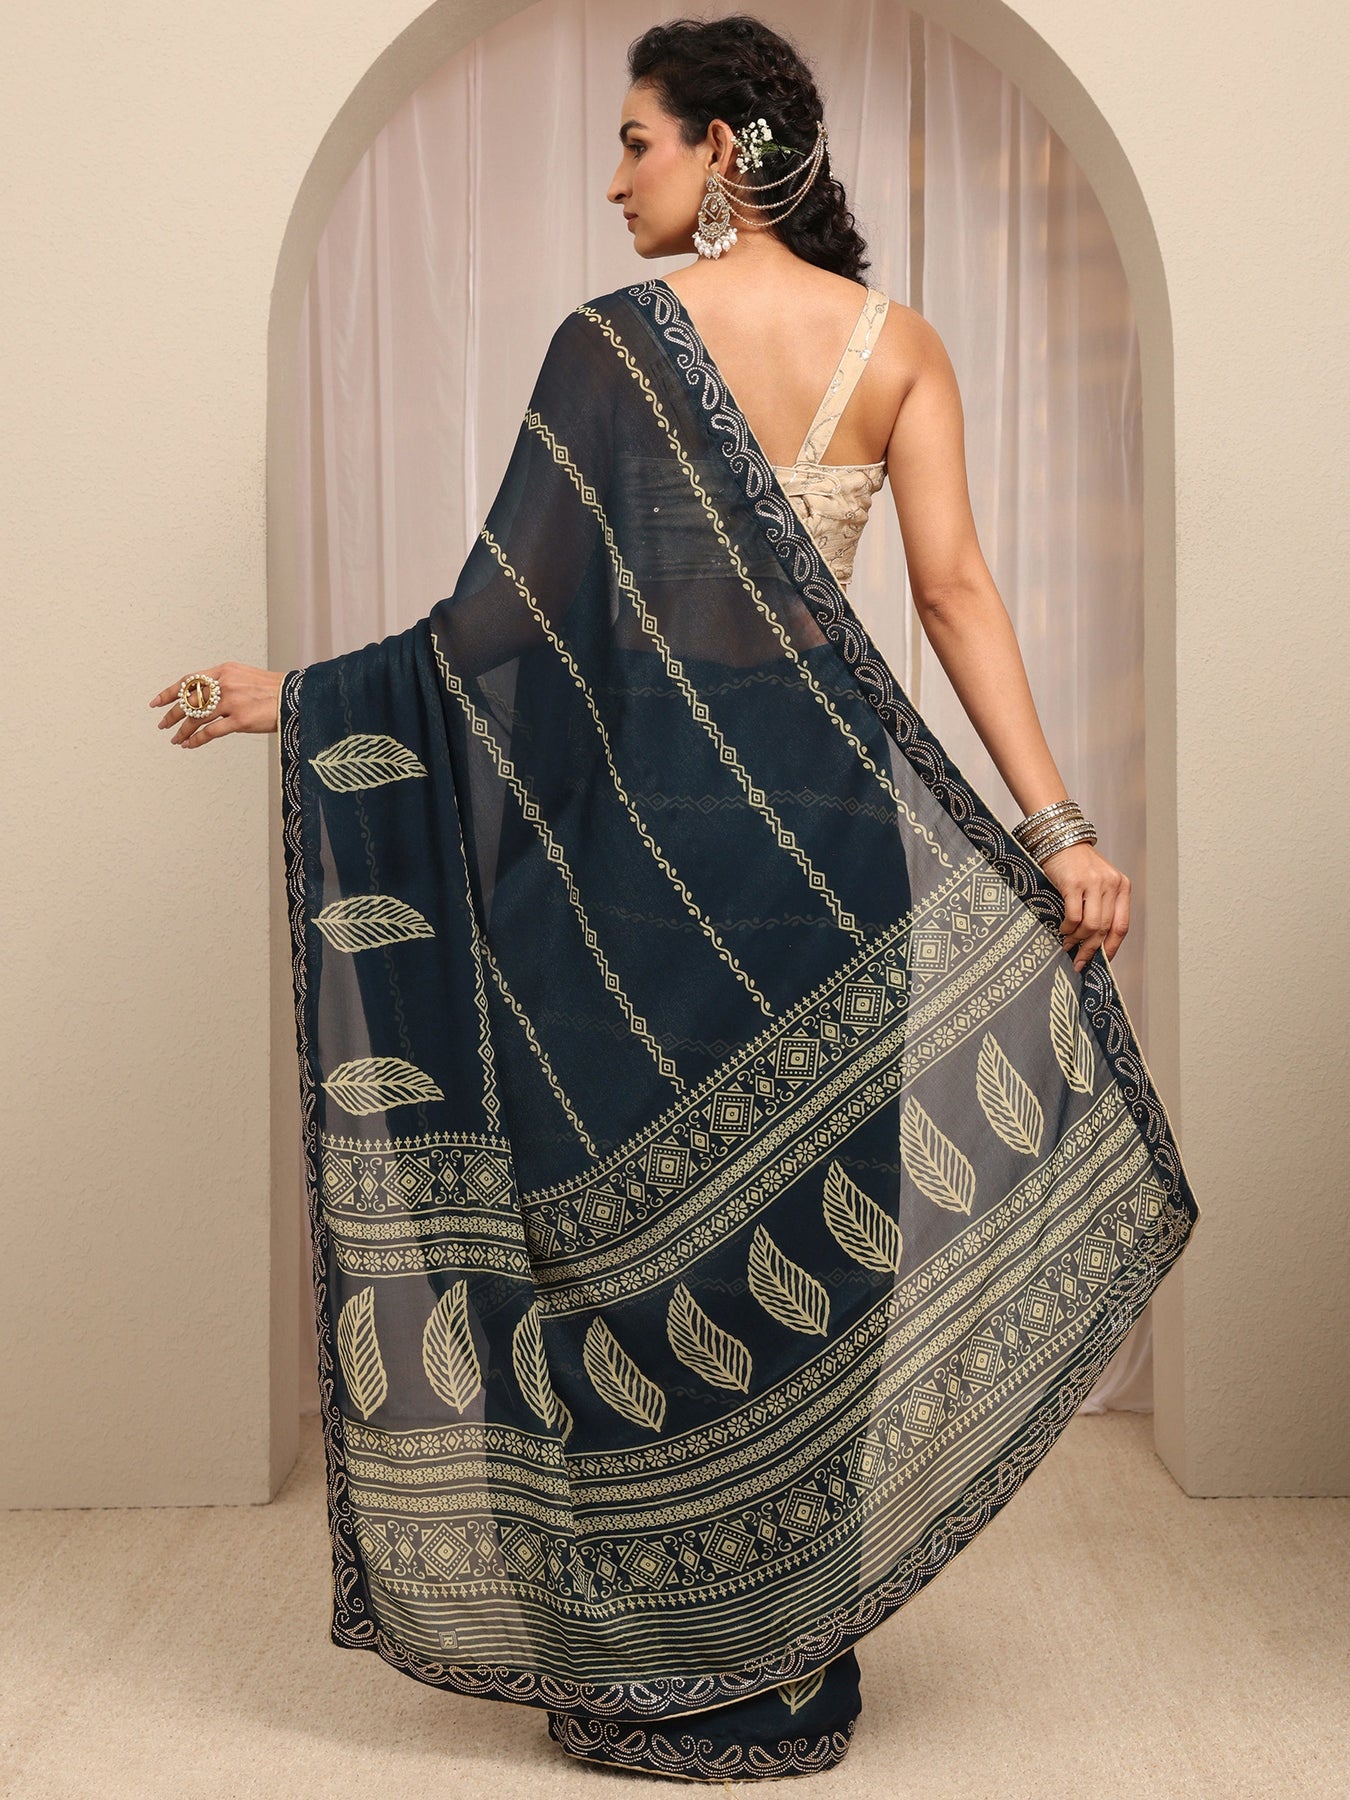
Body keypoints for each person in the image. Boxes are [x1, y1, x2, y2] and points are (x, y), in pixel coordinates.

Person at [149, 13, 1199, 1786]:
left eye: (634, 140)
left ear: (723, 149)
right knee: (822, 1244)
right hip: (827, 848)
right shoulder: (893, 345)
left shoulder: (614, 346)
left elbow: (496, 632)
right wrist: (1058, 828)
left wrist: (305, 699)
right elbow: (954, 595)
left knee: (622, 1253)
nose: (612, 177)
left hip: (638, 861)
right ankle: (782, 1650)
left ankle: (656, 1653)